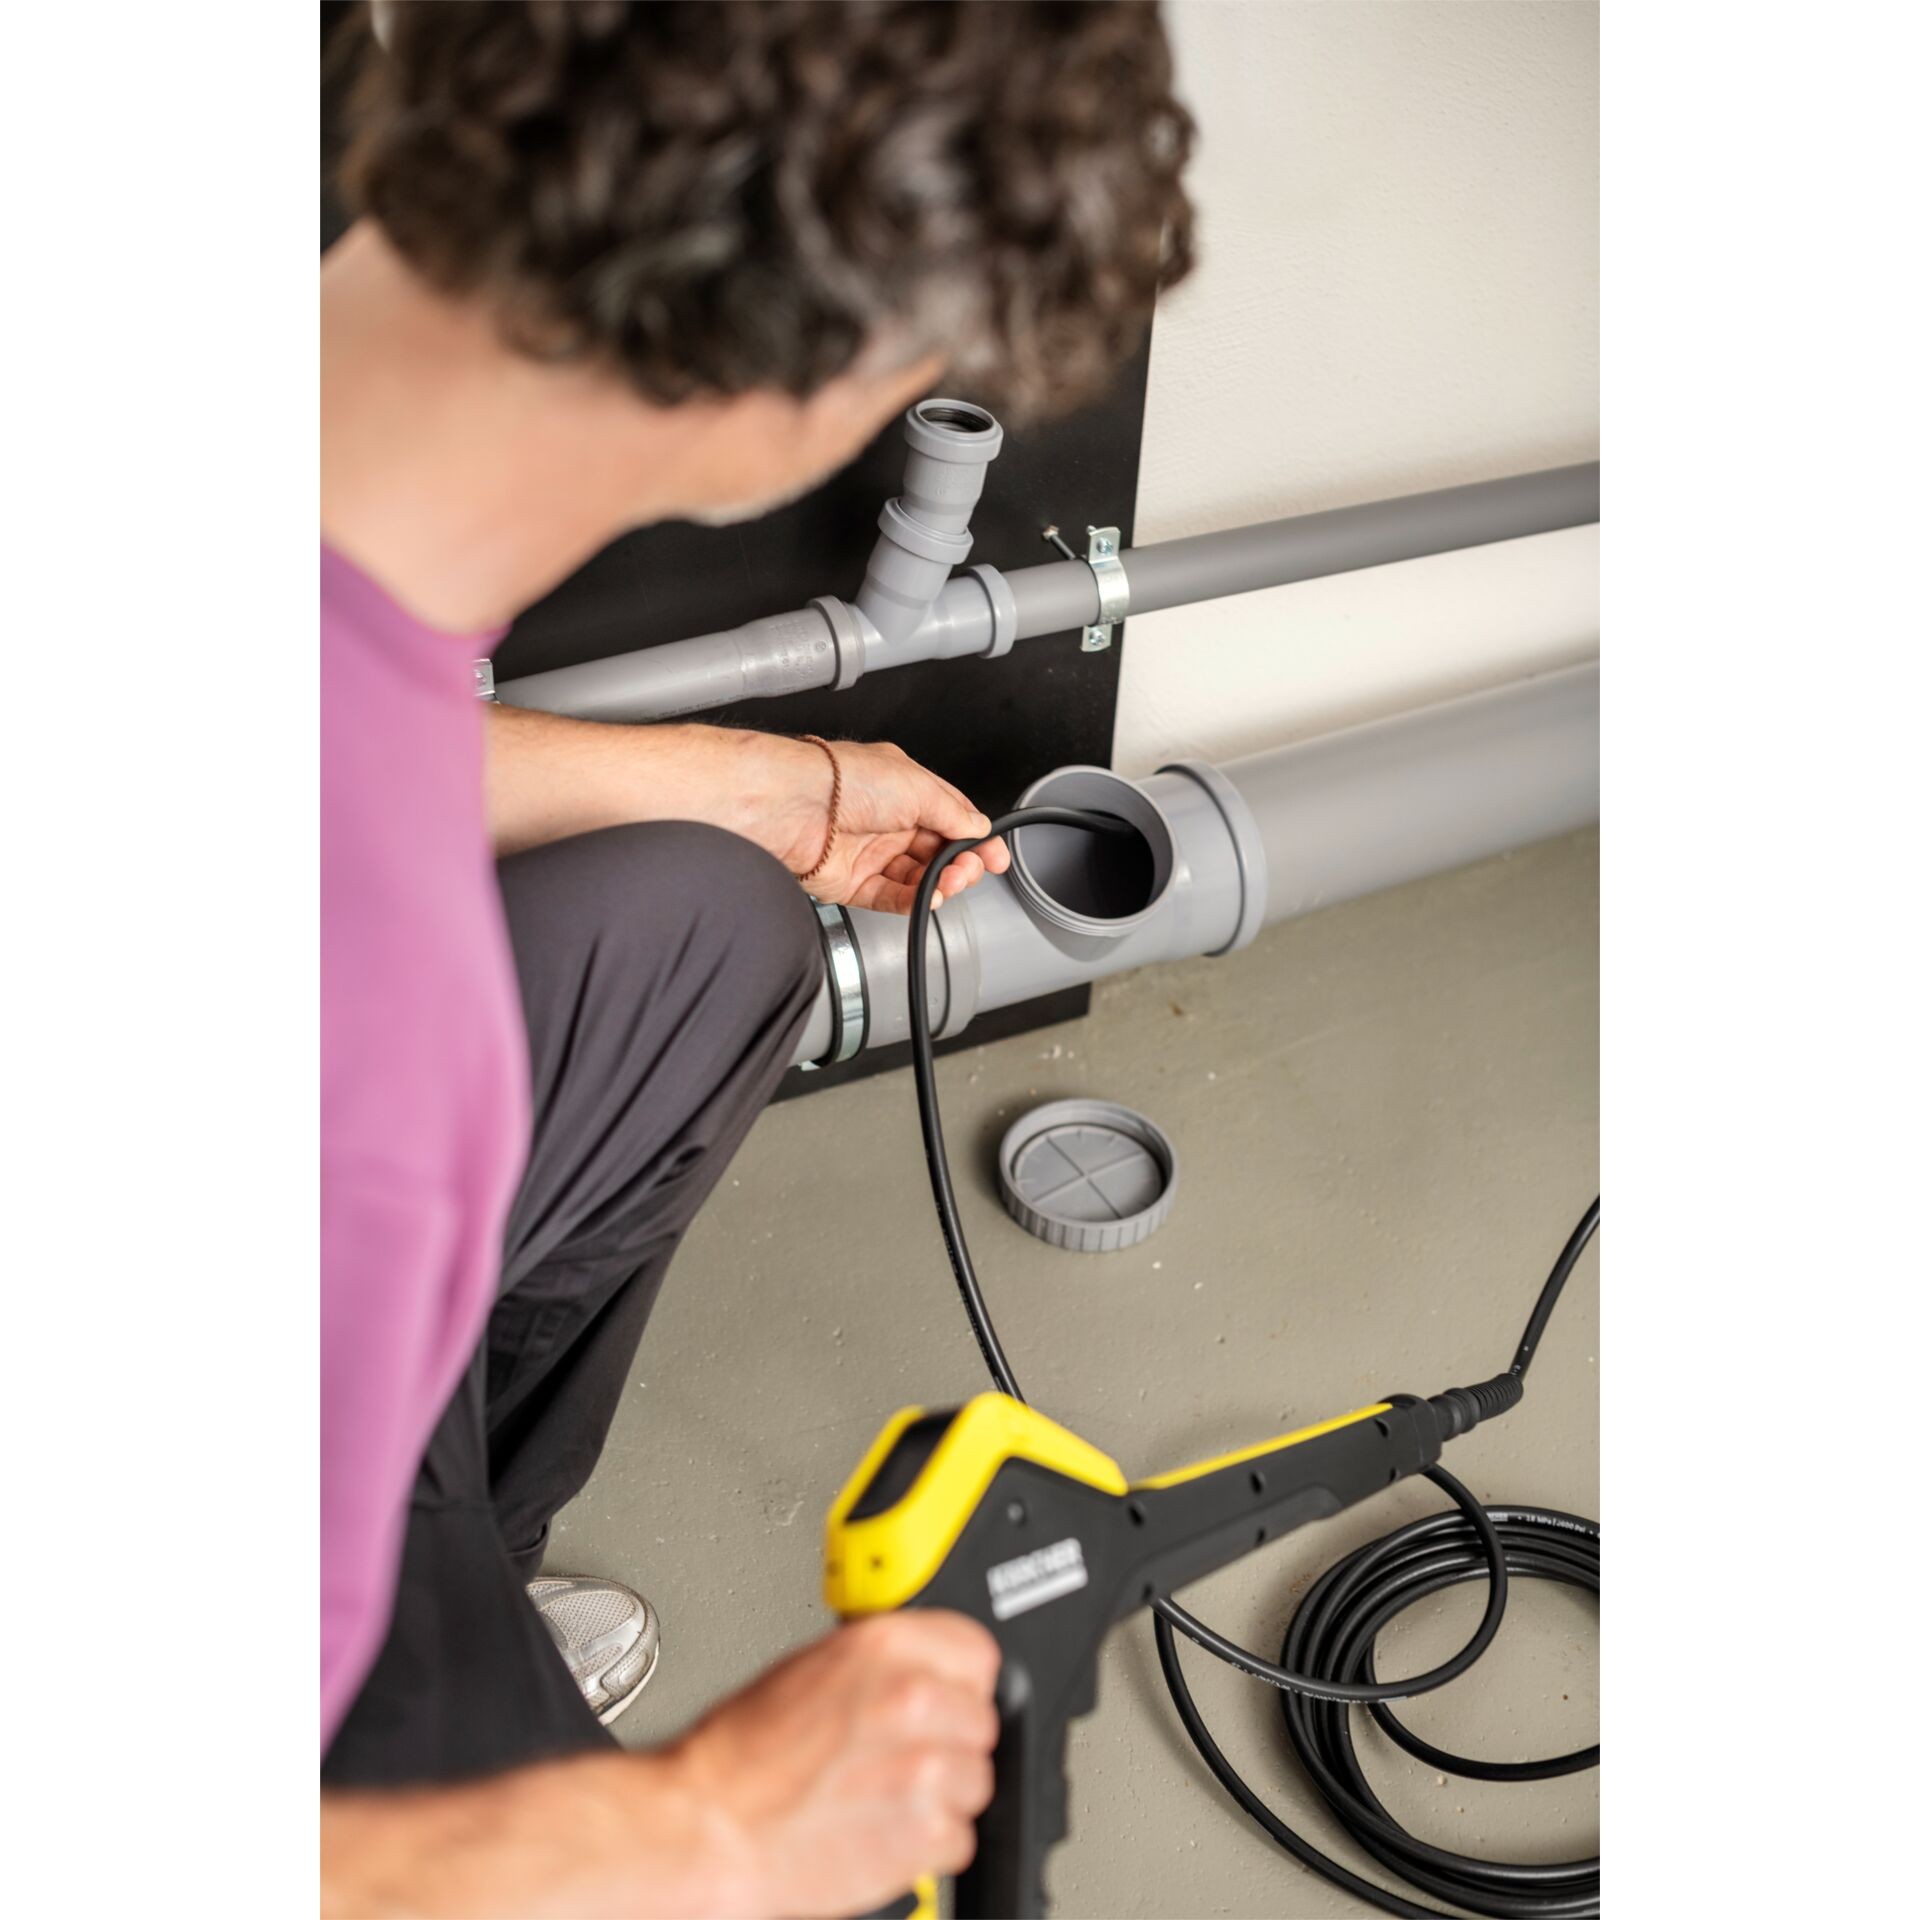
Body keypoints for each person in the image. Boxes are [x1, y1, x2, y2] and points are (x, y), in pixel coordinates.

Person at [319, 4, 1193, 1912]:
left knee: (697, 928)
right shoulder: (355, 1089)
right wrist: (704, 1833)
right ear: (806, 382)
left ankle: (459, 1558)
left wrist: (770, 788)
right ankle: (407, 1652)